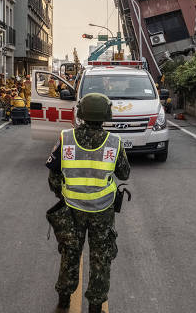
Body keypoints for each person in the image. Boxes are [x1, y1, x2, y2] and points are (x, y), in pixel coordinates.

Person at [46, 93, 130, 312]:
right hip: (102, 211)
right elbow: (124, 173)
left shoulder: (66, 138)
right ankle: (95, 306)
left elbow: (53, 177)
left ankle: (63, 301)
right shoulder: (114, 142)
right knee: (101, 259)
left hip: (71, 209)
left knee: (70, 254)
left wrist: (63, 195)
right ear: (106, 115)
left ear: (81, 113)